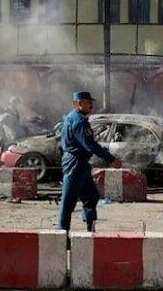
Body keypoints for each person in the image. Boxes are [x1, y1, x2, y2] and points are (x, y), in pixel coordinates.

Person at [57, 91, 122, 233]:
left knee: (92, 196)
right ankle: (62, 235)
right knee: (68, 202)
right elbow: (90, 145)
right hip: (75, 163)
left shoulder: (73, 117)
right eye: (88, 102)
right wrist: (111, 159)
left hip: (81, 163)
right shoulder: (79, 121)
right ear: (79, 103)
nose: (91, 105)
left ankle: (90, 230)